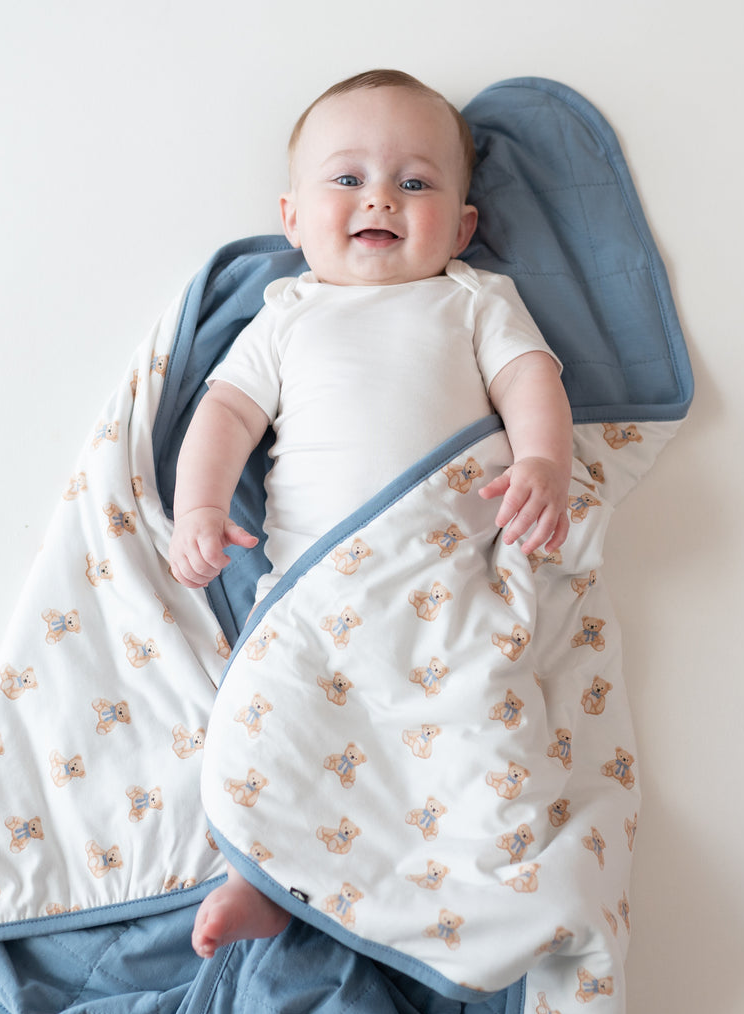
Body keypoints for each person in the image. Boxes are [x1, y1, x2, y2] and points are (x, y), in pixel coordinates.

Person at [168, 69, 572, 958]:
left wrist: (543, 461)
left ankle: (472, 885)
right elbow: (225, 412)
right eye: (347, 178)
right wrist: (199, 504)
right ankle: (260, 876)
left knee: (476, 724)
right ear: (293, 217)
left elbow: (529, 380)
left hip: (444, 583)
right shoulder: (287, 317)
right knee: (266, 717)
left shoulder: (471, 299)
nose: (380, 198)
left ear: (461, 227)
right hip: (316, 593)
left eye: (415, 182)